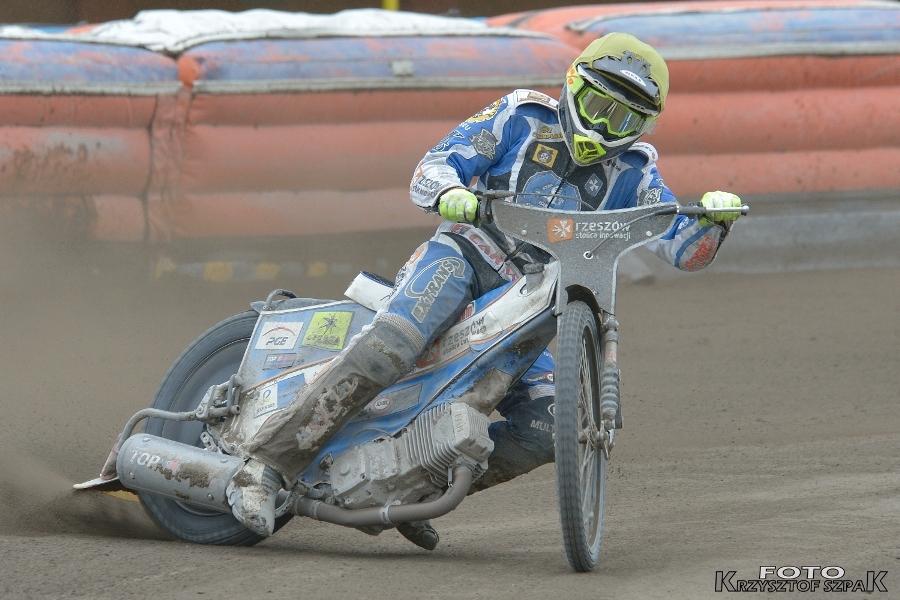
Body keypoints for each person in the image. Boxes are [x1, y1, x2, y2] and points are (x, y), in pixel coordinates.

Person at [226, 32, 743, 548]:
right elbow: (434, 165)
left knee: (553, 424)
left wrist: (714, 220)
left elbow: (683, 249)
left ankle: (415, 489)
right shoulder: (522, 115)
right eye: (598, 106)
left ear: (644, 126)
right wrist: (451, 191)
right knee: (394, 344)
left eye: (624, 119)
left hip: (533, 305)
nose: (605, 127)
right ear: (572, 84)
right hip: (465, 256)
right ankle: (265, 468)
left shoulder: (636, 172)